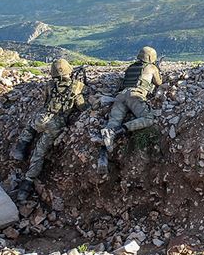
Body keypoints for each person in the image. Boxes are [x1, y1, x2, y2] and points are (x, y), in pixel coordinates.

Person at [11, 59, 85, 201]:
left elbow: (45, 101)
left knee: (30, 127)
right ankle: (27, 184)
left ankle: (21, 149)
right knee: (39, 152)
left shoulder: (49, 85)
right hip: (55, 124)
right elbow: (82, 106)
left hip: (41, 118)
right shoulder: (77, 86)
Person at [97, 46, 162, 174]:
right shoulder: (152, 67)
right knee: (149, 119)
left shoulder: (130, 68)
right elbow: (159, 82)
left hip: (120, 96)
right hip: (135, 95)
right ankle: (117, 131)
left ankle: (102, 157)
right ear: (151, 58)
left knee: (111, 123)